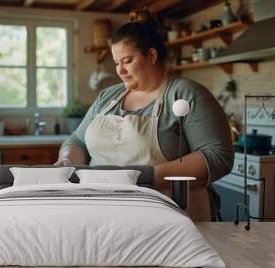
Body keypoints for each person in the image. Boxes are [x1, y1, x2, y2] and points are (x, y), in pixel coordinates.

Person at [54, 10, 234, 221]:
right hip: (102, 213)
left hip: (170, 216)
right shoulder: (107, 97)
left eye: (127, 60)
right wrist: (67, 159)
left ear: (151, 55)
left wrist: (144, 177)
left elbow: (218, 155)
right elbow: (77, 140)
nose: (120, 70)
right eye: (116, 62)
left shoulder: (185, 94)